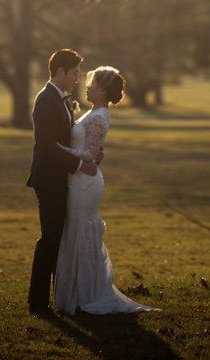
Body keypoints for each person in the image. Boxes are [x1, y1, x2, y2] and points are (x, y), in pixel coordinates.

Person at [53, 65, 157, 315]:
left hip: (85, 182)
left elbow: (89, 154)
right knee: (75, 231)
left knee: (81, 231)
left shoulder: (99, 116)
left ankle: (87, 294)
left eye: (93, 85)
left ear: (103, 91)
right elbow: (90, 149)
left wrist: (57, 150)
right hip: (79, 178)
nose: (87, 86)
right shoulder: (93, 112)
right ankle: (79, 291)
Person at [26, 49, 98, 316]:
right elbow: (47, 146)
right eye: (75, 74)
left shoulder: (61, 99)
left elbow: (65, 141)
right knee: (50, 239)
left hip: (60, 178)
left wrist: (88, 155)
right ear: (60, 71)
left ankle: (61, 298)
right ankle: (37, 302)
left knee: (59, 239)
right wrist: (78, 165)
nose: (77, 79)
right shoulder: (46, 99)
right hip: (48, 179)